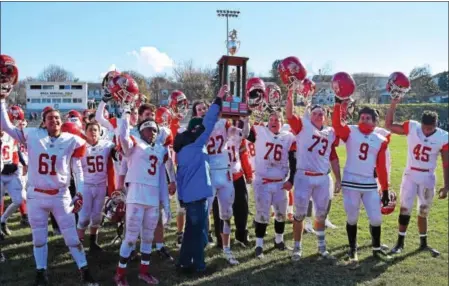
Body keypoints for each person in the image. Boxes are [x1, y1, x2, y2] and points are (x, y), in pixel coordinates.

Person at [0, 101, 98, 285]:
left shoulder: (72, 139)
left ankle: (84, 270)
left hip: (60, 194)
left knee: (71, 237)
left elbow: (78, 170)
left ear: (62, 121)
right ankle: (41, 272)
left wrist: (80, 194)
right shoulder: (32, 135)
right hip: (36, 195)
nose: (54, 120)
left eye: (57, 118)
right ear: (43, 122)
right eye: (50, 118)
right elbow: (5, 125)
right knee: (38, 237)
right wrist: (2, 99)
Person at [173, 85, 227, 273]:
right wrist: (218, 99)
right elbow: (210, 121)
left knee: (190, 231)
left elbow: (179, 176)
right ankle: (199, 266)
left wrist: (181, 197)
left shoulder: (183, 150)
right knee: (196, 233)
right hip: (197, 197)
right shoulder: (196, 144)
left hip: (189, 196)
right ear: (195, 130)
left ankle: (184, 262)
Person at [385, 98, 448, 256]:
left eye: (430, 128)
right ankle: (399, 243)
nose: (426, 131)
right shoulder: (412, 127)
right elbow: (389, 125)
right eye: (425, 127)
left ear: (436, 125)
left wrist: (447, 185)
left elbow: (446, 163)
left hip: (428, 176)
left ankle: (423, 243)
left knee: (424, 210)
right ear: (421, 124)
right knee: (405, 208)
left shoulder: (443, 137)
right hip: (410, 174)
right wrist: (393, 105)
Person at [333, 99, 392, 263]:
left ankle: (376, 248)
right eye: (362, 117)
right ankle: (353, 249)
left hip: (369, 184)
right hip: (351, 182)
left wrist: (385, 189)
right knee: (352, 217)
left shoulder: (381, 140)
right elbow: (337, 126)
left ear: (374, 122)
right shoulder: (351, 131)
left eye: (368, 118)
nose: (364, 120)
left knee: (376, 218)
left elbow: (381, 167)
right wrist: (338, 104)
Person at [286, 89, 341, 261]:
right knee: (300, 213)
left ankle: (321, 247)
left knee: (321, 214)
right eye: (315, 113)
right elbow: (289, 114)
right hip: (304, 176)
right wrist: (290, 92)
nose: (318, 116)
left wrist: (338, 178)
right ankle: (297, 247)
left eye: (321, 114)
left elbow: (333, 157)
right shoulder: (303, 126)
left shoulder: (330, 132)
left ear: (325, 117)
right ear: (310, 116)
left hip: (323, 177)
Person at [113, 113, 169, 285]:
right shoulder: (134, 144)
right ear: (140, 131)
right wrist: (125, 114)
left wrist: (165, 202)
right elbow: (123, 137)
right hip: (136, 195)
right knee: (130, 237)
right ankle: (119, 274)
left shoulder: (161, 149)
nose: (151, 132)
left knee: (148, 237)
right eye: (147, 129)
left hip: (152, 197)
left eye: (154, 129)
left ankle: (144, 272)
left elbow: (161, 177)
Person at [246, 111, 296, 259]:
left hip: (281, 182)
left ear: (281, 122)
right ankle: (259, 245)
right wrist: (247, 115)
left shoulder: (288, 137)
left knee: (281, 214)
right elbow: (246, 133)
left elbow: (294, 160)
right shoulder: (260, 132)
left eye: (277, 119)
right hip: (263, 181)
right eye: (271, 119)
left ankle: (279, 241)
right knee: (262, 214)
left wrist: (291, 180)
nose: (274, 122)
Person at [76, 121, 116, 253]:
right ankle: (79, 246)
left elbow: (119, 148)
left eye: (95, 130)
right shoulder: (80, 145)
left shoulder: (107, 145)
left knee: (97, 217)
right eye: (90, 130)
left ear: (100, 132)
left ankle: (93, 243)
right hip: (86, 186)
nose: (93, 132)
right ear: (85, 132)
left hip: (100, 185)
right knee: (84, 218)